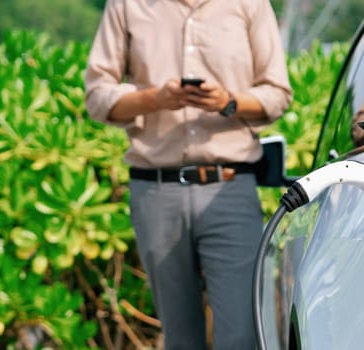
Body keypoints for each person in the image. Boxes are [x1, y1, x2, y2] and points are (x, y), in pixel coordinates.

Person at [83, 0, 293, 348]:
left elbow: (277, 94)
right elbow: (97, 95)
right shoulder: (127, 5)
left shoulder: (249, 4)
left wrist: (227, 101)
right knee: (180, 337)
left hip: (230, 189)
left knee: (242, 333)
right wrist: (155, 98)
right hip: (156, 192)